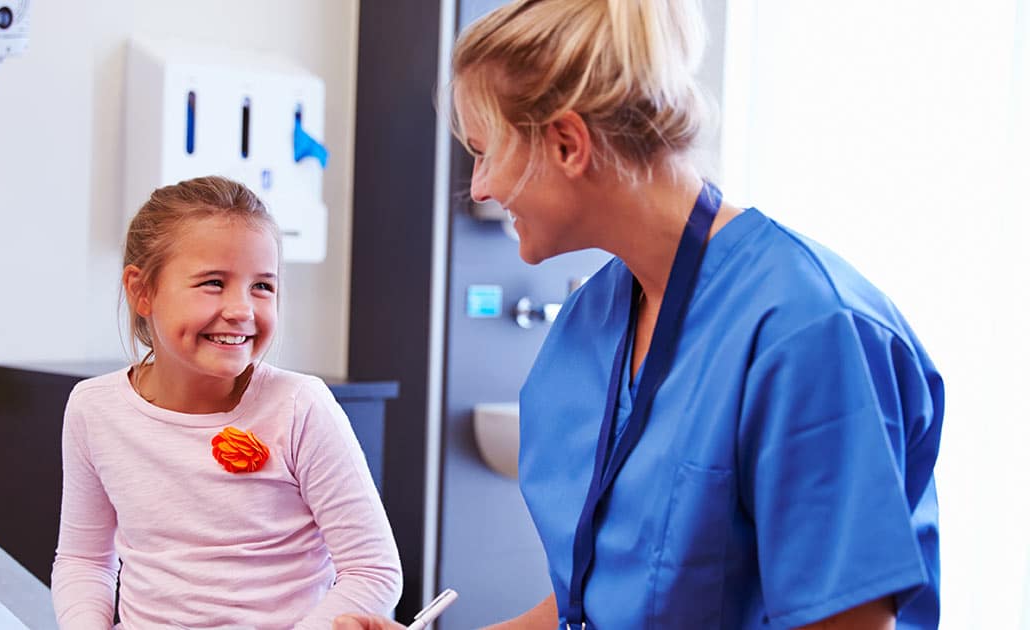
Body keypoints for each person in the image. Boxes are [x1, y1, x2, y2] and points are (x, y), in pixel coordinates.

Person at [336, 0, 943, 628]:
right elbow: (591, 605)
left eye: (487, 152)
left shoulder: (807, 330)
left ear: (568, 143)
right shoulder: (588, 322)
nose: (481, 185)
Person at [51, 176, 402, 629]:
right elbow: (84, 559)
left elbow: (372, 570)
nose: (242, 309)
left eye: (262, 287)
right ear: (142, 291)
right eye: (214, 283)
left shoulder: (299, 406)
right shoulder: (93, 409)